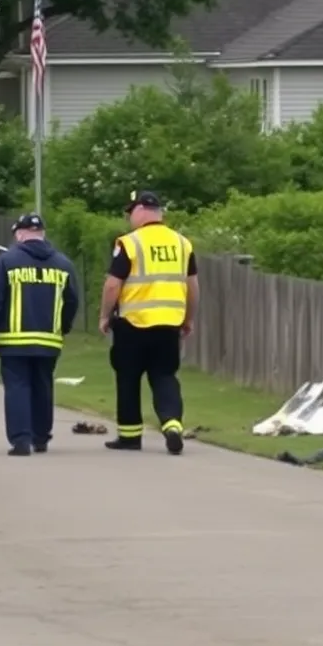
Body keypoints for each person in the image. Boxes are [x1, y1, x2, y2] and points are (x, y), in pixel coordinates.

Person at [98, 190, 198, 455]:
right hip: (169, 324)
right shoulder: (182, 244)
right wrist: (188, 318)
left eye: (131, 212)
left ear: (141, 210)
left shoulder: (129, 243)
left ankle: (130, 436)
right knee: (164, 375)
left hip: (133, 324)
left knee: (128, 378)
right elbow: (192, 286)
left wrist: (105, 315)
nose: (129, 217)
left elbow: (113, 284)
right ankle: (172, 424)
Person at [0, 213, 80, 456]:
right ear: (42, 234)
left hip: (14, 340)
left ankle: (21, 440)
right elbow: (72, 301)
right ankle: (41, 438)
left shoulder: (8, 260)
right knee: (43, 387)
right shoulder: (63, 264)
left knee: (17, 387)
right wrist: (63, 327)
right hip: (49, 339)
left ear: (20, 234)